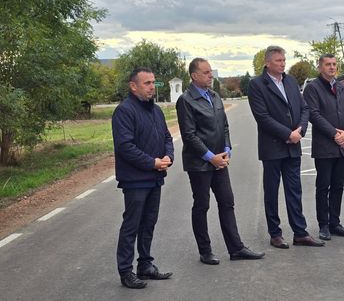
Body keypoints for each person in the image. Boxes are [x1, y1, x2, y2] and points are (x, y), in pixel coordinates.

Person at [176, 58, 264, 265]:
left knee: (227, 202)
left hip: (220, 160)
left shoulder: (214, 96)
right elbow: (189, 135)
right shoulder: (186, 100)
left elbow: (224, 126)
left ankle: (236, 248)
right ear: (194, 76)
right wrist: (210, 157)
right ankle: (205, 251)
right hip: (200, 164)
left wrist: (227, 148)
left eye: (211, 72)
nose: (211, 76)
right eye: (206, 73)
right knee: (202, 205)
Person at [248, 46, 324, 248]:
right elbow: (262, 117)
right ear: (267, 63)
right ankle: (275, 233)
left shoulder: (290, 81)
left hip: (293, 146)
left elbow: (304, 108)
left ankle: (300, 233)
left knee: (294, 191)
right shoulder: (257, 84)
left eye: (284, 60)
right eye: (278, 60)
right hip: (273, 147)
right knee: (271, 192)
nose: (283, 63)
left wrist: (300, 130)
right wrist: (287, 134)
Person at [112, 67, 174, 289]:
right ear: (133, 86)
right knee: (132, 225)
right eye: (147, 83)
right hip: (135, 179)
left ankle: (145, 264)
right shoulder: (124, 111)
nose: (152, 87)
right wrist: (152, 163)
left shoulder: (156, 110)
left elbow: (167, 137)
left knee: (149, 223)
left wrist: (168, 156)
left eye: (153, 83)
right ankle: (125, 271)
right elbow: (125, 147)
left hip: (155, 177)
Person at [302, 54, 344, 241]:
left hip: (343, 145)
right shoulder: (312, 88)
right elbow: (314, 115)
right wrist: (335, 134)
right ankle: (323, 225)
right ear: (320, 67)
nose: (332, 67)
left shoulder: (341, 87)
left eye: (334, 64)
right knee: (323, 186)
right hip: (325, 145)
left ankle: (335, 223)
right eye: (328, 64)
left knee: (338, 186)